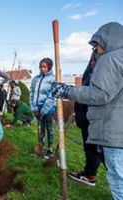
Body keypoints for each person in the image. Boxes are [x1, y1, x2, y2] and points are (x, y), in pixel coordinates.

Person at [52, 22, 123, 200]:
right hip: (117, 129)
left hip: (114, 130)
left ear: (106, 40)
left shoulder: (110, 58)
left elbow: (100, 93)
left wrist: (66, 91)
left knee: (118, 179)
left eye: (96, 45)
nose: (95, 50)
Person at [68, 49, 105, 187]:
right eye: (91, 61)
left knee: (98, 150)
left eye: (95, 60)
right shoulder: (91, 73)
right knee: (90, 147)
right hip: (85, 117)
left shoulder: (102, 75)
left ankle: (90, 174)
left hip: (94, 119)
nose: (92, 63)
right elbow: (84, 84)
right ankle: (89, 173)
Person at [29, 57, 56, 159]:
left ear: (49, 67)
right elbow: (32, 93)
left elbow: (52, 96)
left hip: (48, 108)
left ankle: (50, 149)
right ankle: (40, 147)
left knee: (49, 129)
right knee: (40, 129)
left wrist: (44, 110)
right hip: (37, 108)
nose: (42, 69)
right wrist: (34, 108)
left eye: (44, 67)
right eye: (41, 67)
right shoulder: (36, 79)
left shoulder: (53, 79)